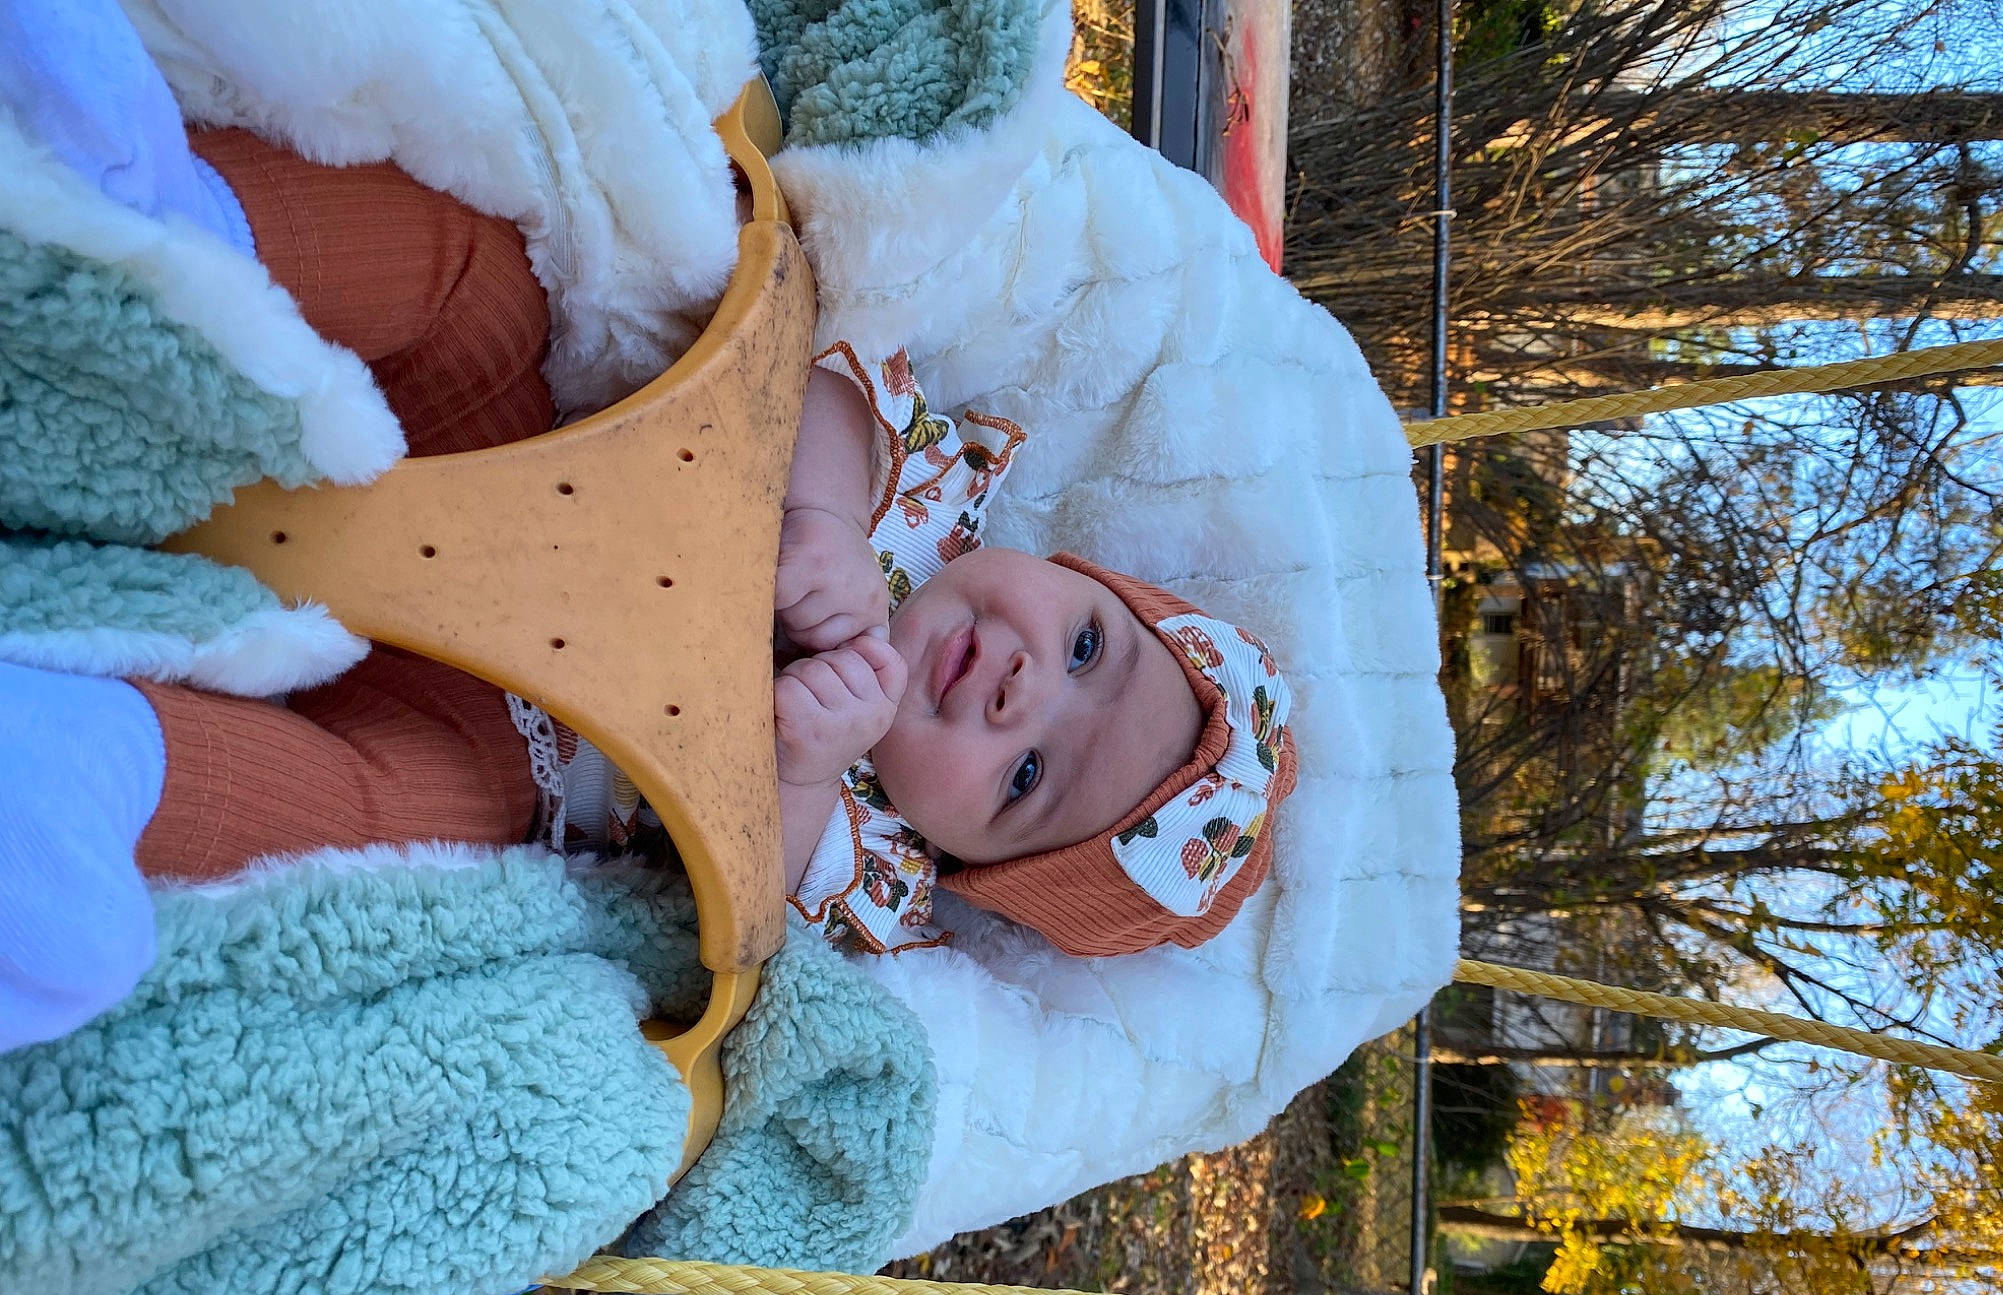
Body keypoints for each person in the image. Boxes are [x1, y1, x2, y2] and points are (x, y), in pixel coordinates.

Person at [1, 15, 1298, 1053]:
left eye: (1028, 781)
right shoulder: (929, 498)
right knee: (480, 284)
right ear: (1070, 575)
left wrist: (799, 762)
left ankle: (87, 777)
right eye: (1081, 649)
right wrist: (823, 515)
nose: (1022, 689)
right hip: (520, 451)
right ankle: (160, 210)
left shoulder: (876, 858)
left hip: (516, 732)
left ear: (961, 857)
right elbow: (829, 373)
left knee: (392, 831)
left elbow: (756, 899)